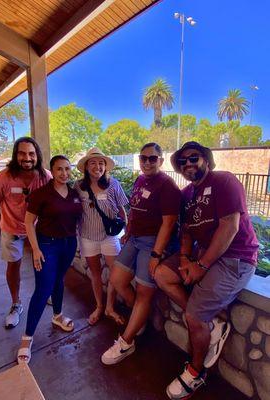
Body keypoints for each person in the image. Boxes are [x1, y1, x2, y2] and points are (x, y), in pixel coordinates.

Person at [154, 141, 259, 399]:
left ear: (206, 159)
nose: (188, 164)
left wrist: (201, 266)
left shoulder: (224, 181)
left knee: (193, 316)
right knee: (161, 275)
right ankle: (209, 326)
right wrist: (185, 261)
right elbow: (188, 232)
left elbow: (229, 227)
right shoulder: (188, 194)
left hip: (236, 258)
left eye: (194, 158)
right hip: (204, 255)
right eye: (182, 161)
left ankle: (196, 371)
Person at [101, 142, 181, 365]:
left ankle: (126, 342)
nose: (147, 162)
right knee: (117, 279)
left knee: (145, 295)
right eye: (143, 158)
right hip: (135, 239)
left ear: (161, 161)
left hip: (153, 243)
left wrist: (156, 255)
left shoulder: (167, 186)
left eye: (152, 158)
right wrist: (130, 231)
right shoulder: (140, 179)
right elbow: (135, 209)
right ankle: (140, 320)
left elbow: (169, 223)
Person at [17, 155, 82, 364]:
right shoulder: (41, 194)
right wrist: (35, 249)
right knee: (43, 288)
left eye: (67, 169)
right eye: (60, 169)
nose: (64, 173)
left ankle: (57, 315)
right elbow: (29, 223)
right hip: (47, 245)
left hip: (68, 244)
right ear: (51, 171)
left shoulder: (74, 193)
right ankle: (27, 338)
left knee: (59, 280)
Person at [0, 137, 51, 329]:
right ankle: (16, 304)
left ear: (37, 155)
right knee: (13, 265)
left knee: (43, 263)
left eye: (31, 154)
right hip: (12, 229)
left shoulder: (45, 176)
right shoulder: (2, 178)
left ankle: (45, 292)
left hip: (39, 228)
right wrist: (11, 216)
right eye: (22, 153)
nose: (27, 158)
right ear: (16, 155)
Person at [74, 148, 128, 325]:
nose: (97, 166)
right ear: (86, 166)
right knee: (95, 274)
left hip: (109, 237)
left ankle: (110, 307)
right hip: (87, 237)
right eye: (93, 163)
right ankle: (99, 306)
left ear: (105, 166)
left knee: (114, 274)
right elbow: (73, 210)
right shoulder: (78, 186)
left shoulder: (114, 184)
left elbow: (122, 210)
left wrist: (127, 232)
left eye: (101, 163)